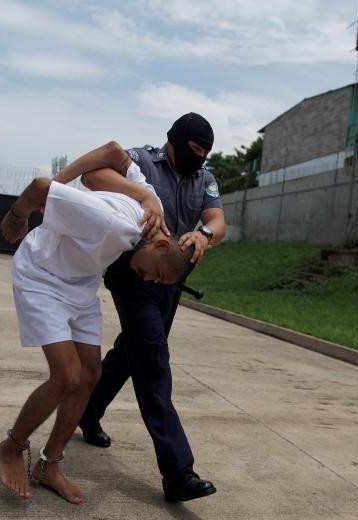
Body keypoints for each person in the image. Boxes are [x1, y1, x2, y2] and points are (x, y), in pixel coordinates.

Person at [0, 167, 195, 505]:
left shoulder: (151, 210)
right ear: (161, 243)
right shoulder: (110, 223)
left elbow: (119, 156)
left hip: (81, 283)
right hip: (42, 274)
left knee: (90, 375)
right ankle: (12, 447)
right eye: (157, 274)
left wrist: (148, 195)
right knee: (66, 376)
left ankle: (49, 465)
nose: (149, 280)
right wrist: (18, 215)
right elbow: (42, 187)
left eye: (159, 282)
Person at [58, 113, 227, 502]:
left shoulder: (205, 177)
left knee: (132, 352)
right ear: (175, 140)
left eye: (204, 153)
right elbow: (94, 176)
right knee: (153, 360)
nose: (198, 158)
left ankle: (89, 408)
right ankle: (178, 472)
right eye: (194, 150)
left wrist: (204, 235)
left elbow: (218, 220)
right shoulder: (144, 160)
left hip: (170, 278)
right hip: (133, 271)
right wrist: (144, 195)